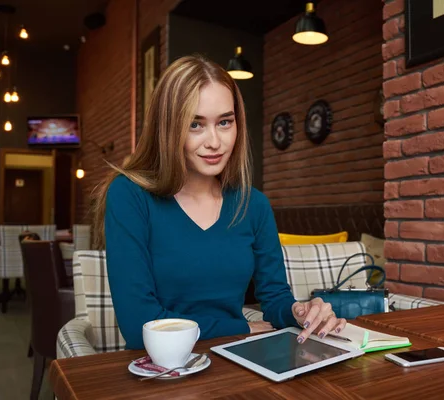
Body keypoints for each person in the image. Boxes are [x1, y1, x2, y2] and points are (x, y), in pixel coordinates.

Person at [91, 54, 346, 350]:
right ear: (168, 127)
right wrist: (239, 327)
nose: (214, 141)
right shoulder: (129, 195)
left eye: (225, 122)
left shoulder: (254, 205)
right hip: (160, 369)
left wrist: (299, 312)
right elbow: (139, 326)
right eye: (195, 125)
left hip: (235, 362)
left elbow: (275, 299)